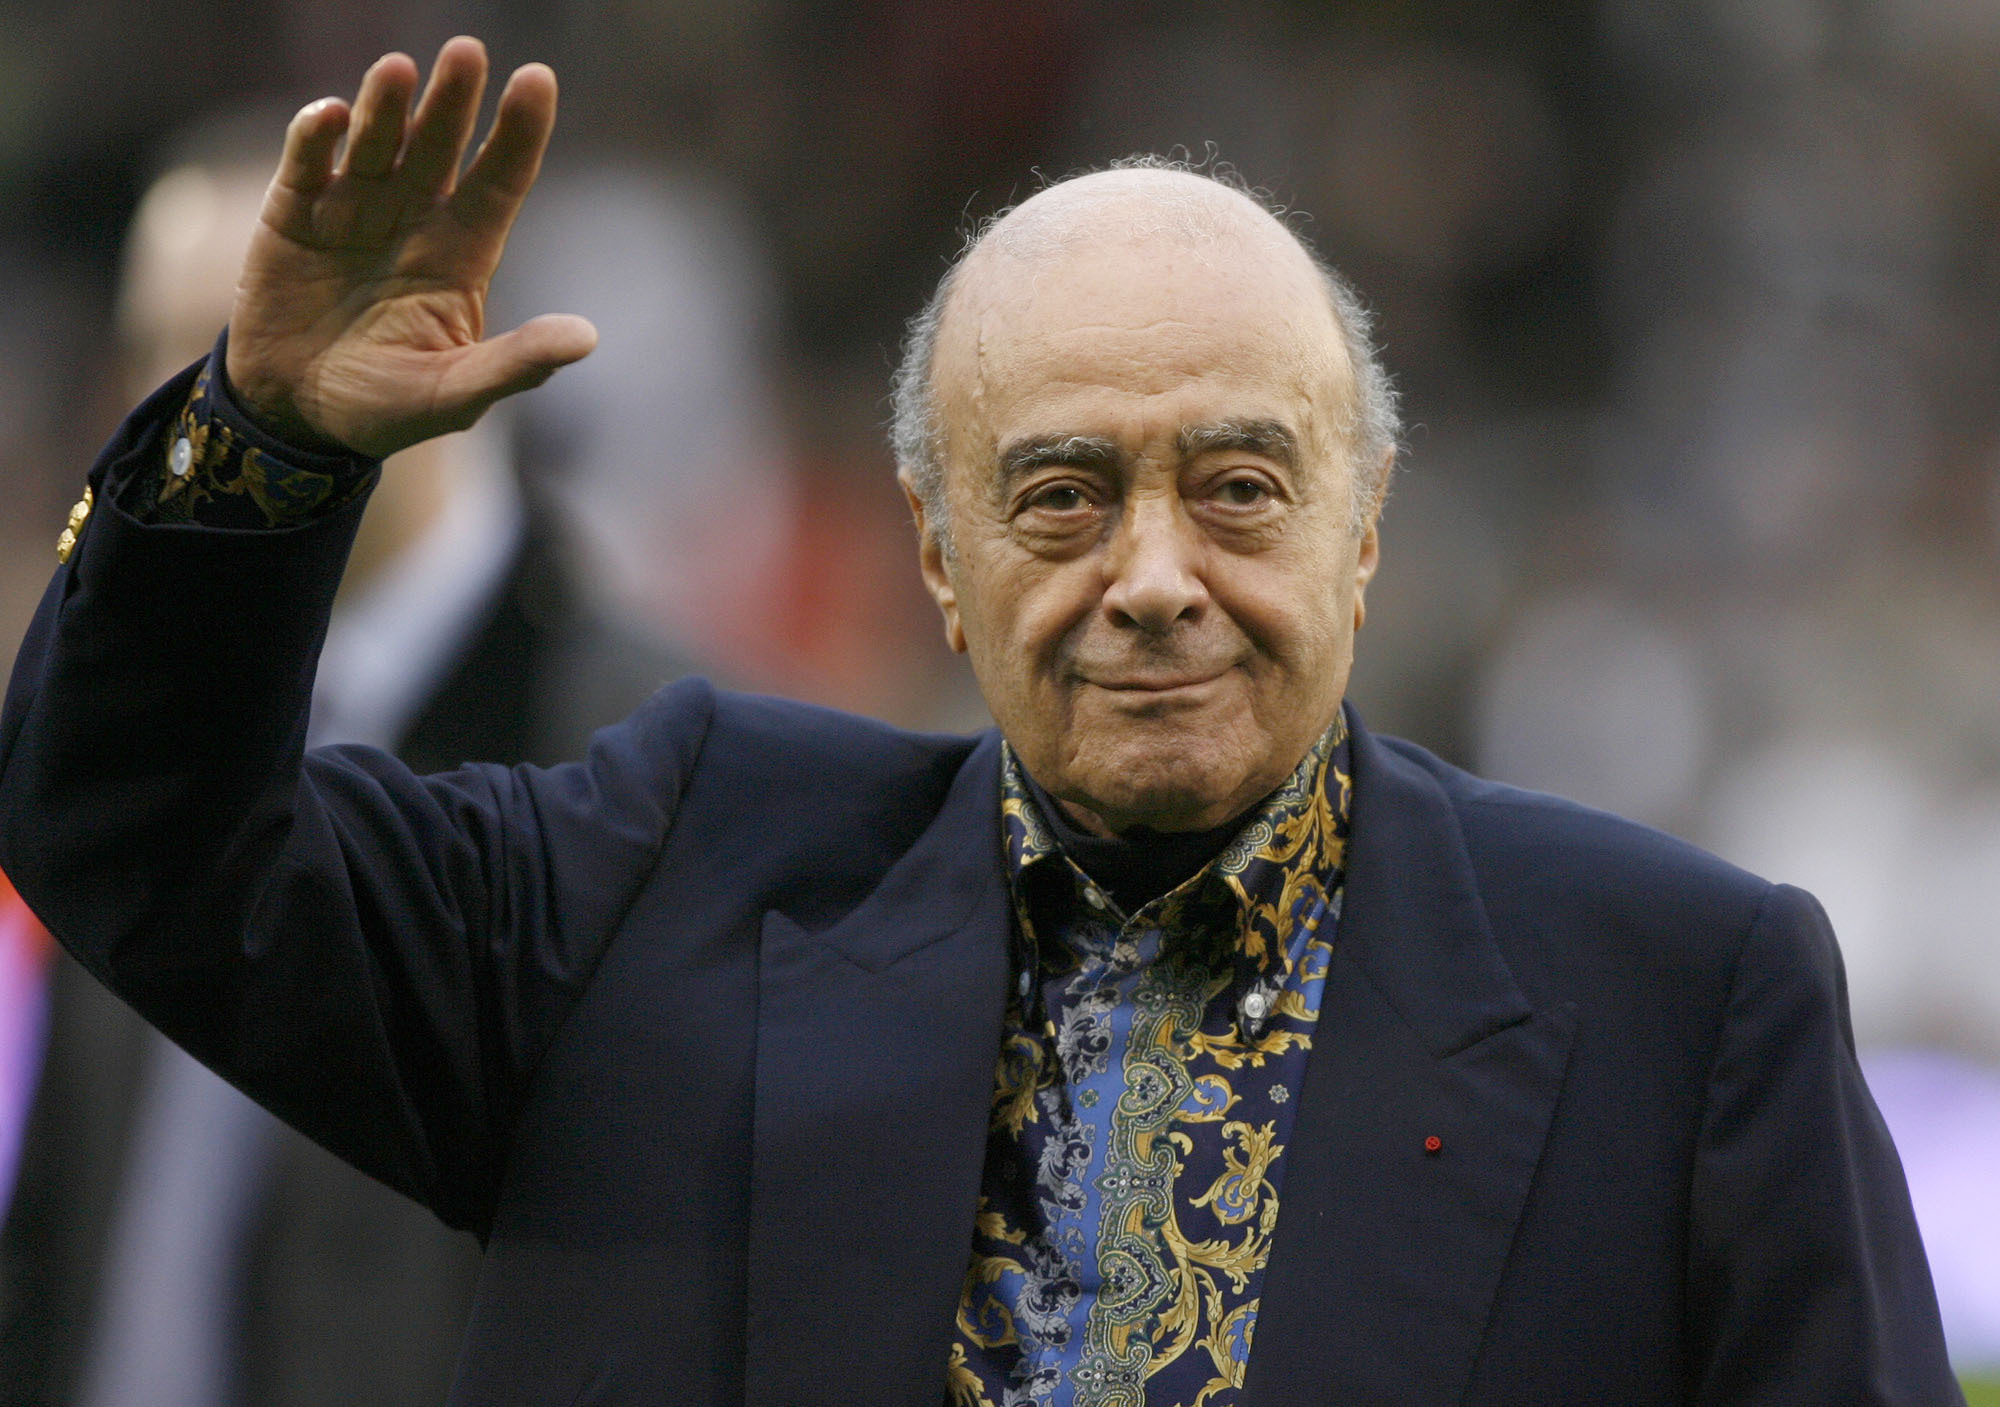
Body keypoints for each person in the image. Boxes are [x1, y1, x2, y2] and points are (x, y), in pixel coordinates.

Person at [0, 37, 1961, 1406]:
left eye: (1243, 487)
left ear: (1366, 538)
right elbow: (147, 846)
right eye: (1058, 495)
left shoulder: (1682, 995)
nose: (1154, 570)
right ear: (936, 565)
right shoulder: (663, 866)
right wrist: (259, 452)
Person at [0, 114, 686, 1406]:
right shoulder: (131, 748)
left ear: (447, 328)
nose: (223, 395)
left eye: (261, 330)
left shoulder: (630, 749)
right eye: (173, 350)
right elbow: (60, 1217)